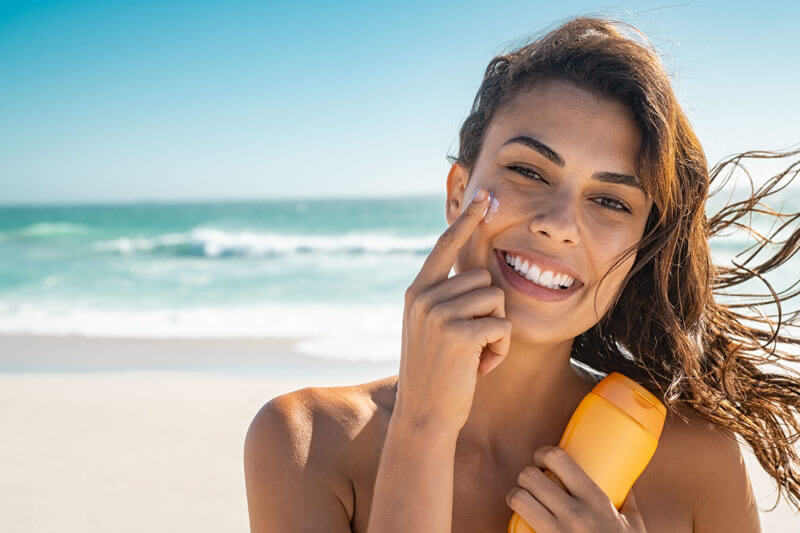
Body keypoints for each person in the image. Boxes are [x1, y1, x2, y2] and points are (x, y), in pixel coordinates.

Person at [243, 16, 800, 532]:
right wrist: (423, 427)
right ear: (458, 193)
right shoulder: (306, 441)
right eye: (528, 171)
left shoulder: (697, 462)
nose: (560, 225)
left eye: (610, 201)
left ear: (639, 248)